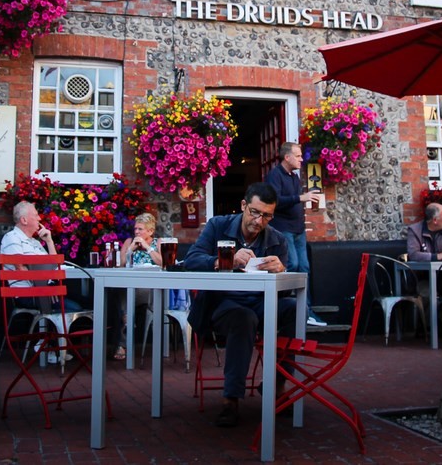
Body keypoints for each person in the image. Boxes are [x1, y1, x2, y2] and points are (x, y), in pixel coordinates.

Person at [184, 182, 296, 428]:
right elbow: (192, 259)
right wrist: (225, 260)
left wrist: (282, 271)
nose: (259, 220)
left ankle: (277, 383)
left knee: (293, 308)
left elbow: (286, 288)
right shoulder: (218, 226)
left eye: (266, 216)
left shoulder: (277, 239)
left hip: (261, 303)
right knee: (243, 318)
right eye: (255, 212)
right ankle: (230, 400)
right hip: (223, 302)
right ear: (243, 206)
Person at [0, 200, 83, 363]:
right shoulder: (12, 238)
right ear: (24, 220)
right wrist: (45, 280)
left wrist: (49, 241)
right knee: (74, 307)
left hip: (46, 289)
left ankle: (50, 342)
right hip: (28, 293)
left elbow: (55, 265)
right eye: (36, 215)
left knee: (84, 301)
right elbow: (20, 268)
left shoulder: (35, 242)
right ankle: (50, 344)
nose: (39, 218)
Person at [265, 142, 324, 326]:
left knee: (304, 268)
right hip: (283, 228)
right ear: (287, 157)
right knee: (293, 265)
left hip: (298, 229)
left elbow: (296, 201)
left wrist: (308, 202)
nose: (301, 159)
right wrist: (301, 197)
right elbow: (274, 201)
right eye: (298, 156)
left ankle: (307, 311)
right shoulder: (274, 175)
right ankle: (289, 309)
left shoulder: (294, 177)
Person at [110, 213, 163, 361]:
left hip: (150, 288)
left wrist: (147, 248)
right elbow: (120, 265)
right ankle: (127, 322)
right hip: (130, 286)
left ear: (150, 231)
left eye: (140, 229)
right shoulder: (129, 242)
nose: (137, 232)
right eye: (135, 229)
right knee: (123, 291)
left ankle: (124, 336)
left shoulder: (157, 242)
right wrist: (129, 251)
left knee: (126, 294)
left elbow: (163, 262)